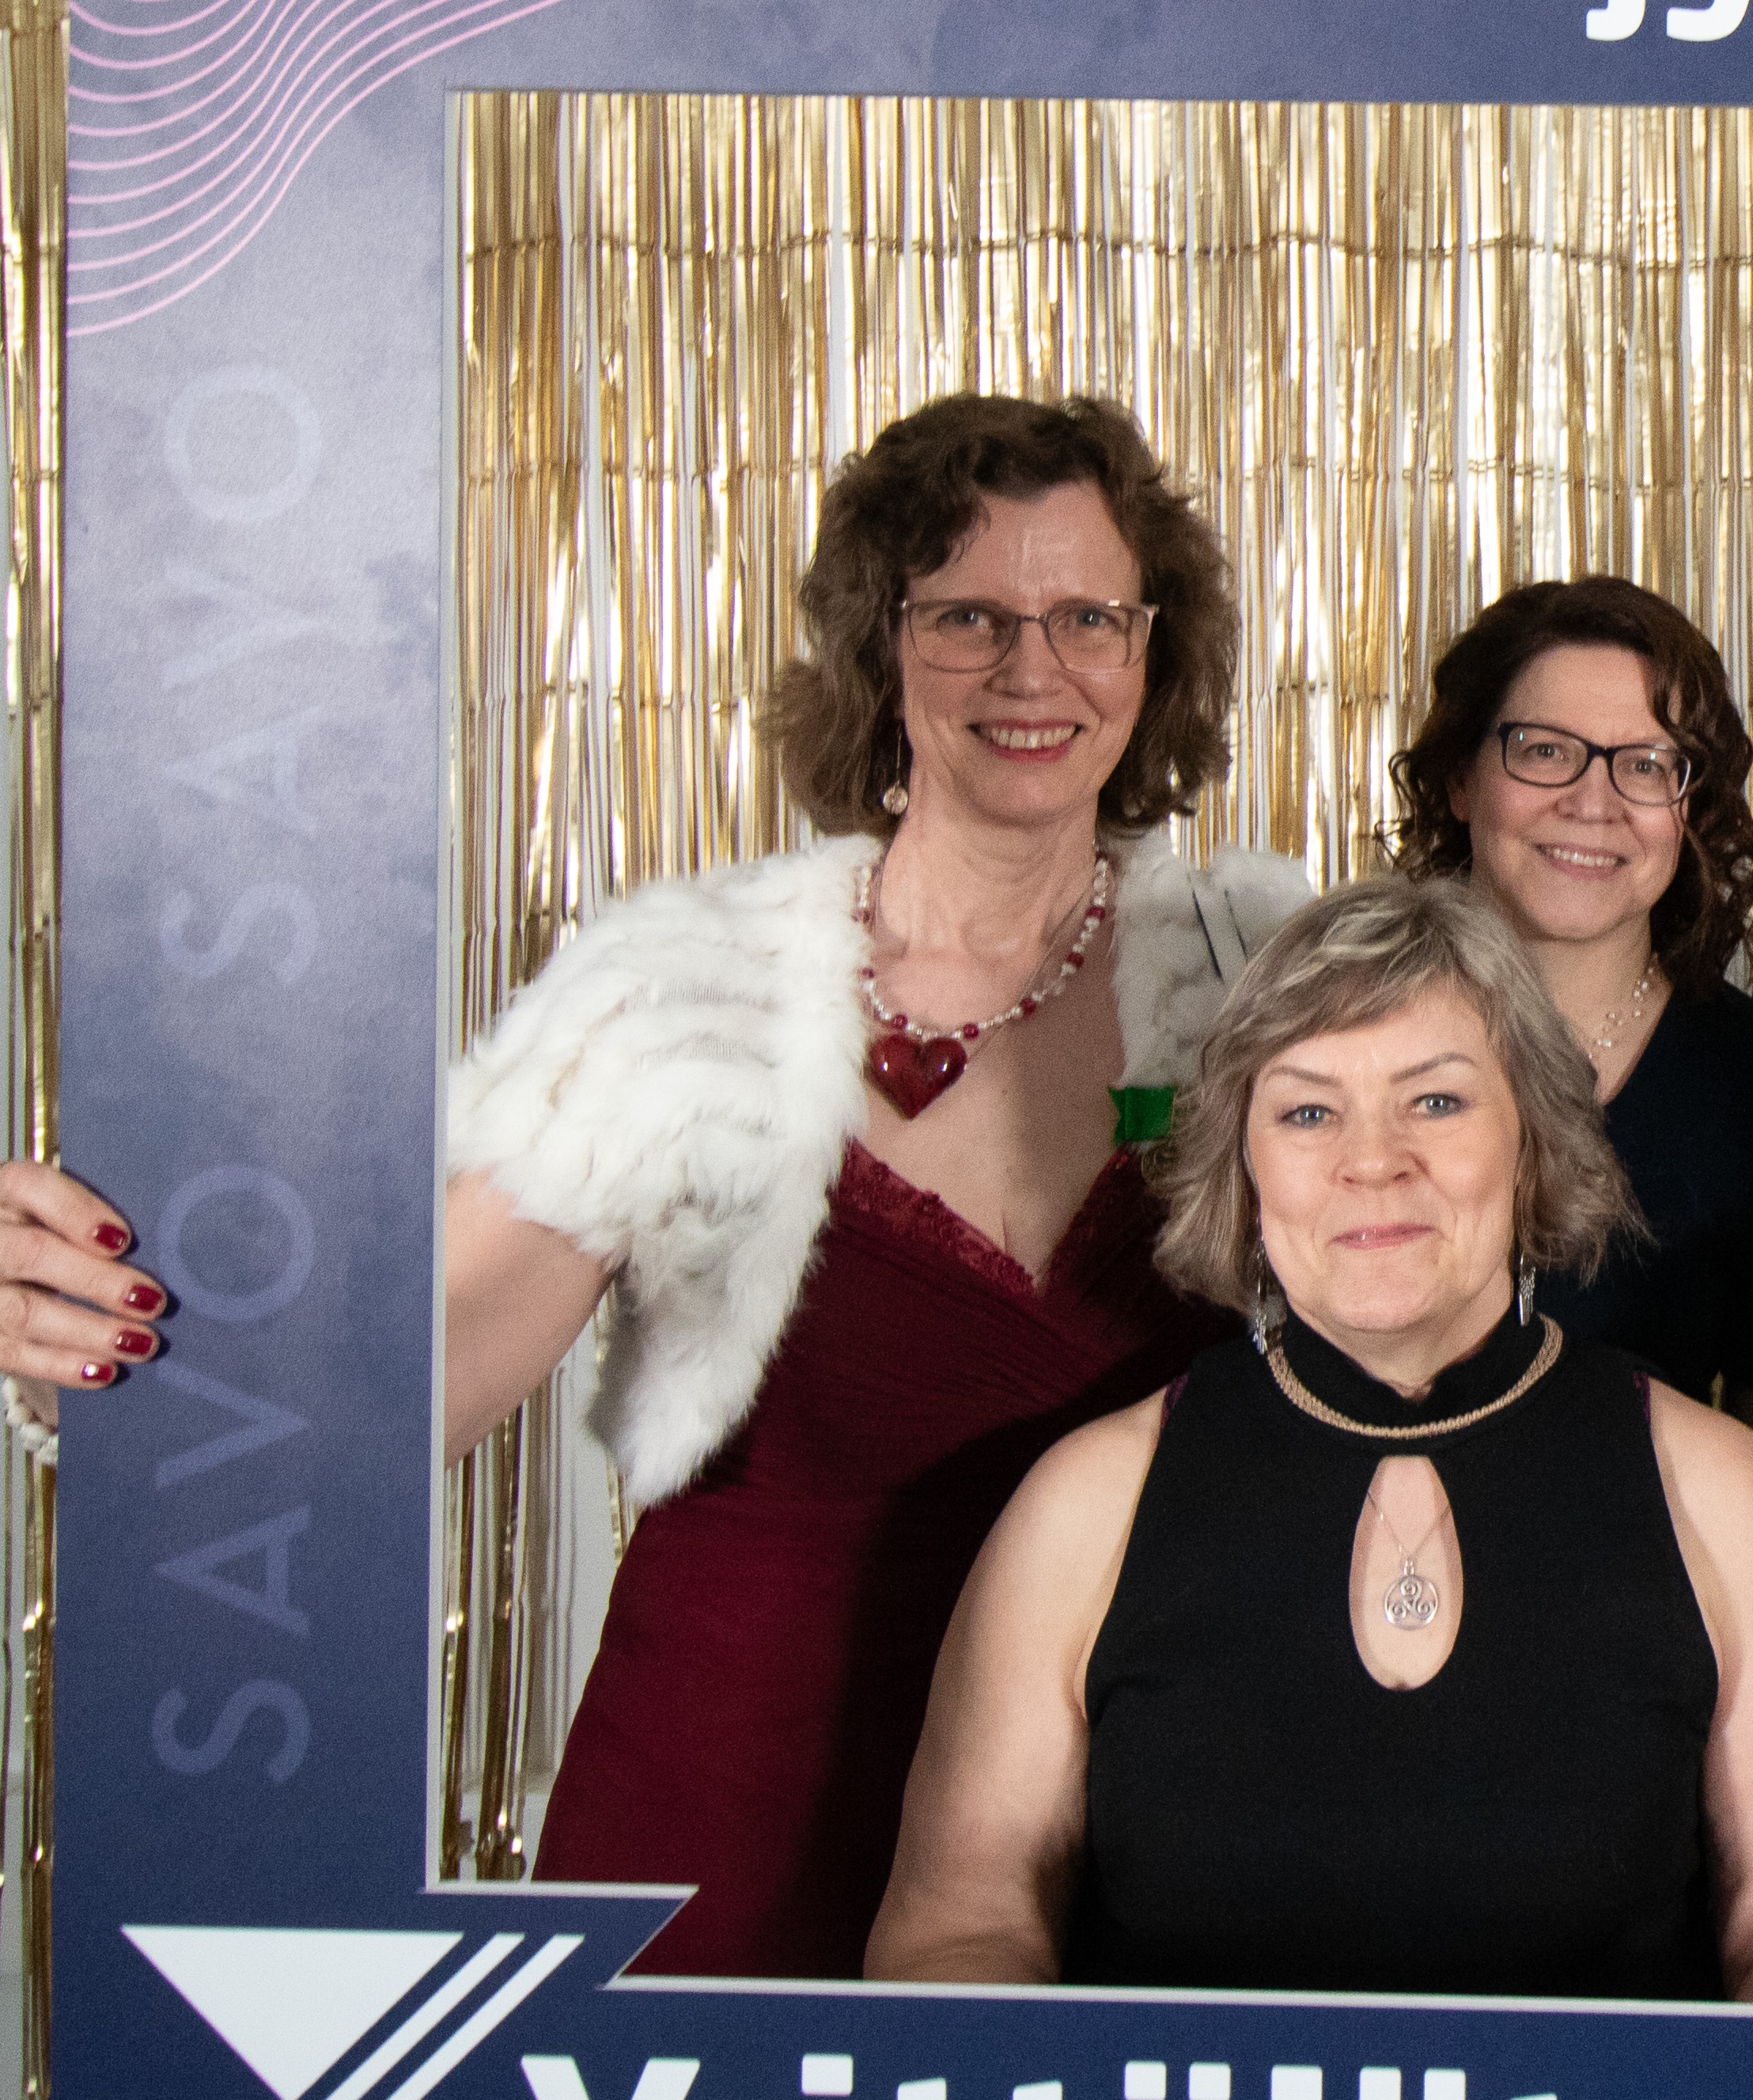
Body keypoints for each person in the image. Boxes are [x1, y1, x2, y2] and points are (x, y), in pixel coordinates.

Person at [418, 393, 1304, 1978]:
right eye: (967, 616)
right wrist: (119, 1337)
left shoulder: (1273, 978)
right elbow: (405, 1380)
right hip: (732, 1815)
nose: (1031, 670)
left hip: (1141, 1811)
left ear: (1152, 652)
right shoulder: (686, 989)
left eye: (1086, 618)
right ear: (876, 650)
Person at [867, 878, 1753, 2003]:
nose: (1372, 1161)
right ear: (1242, 1164)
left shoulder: (1722, 1494)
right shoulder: (1086, 1505)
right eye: (1307, 1112)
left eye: (1435, 1101)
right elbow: (960, 1928)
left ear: (1533, 1138)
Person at [1390, 575, 1753, 1590]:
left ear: (1691, 808)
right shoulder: (1331, 1046)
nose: (1591, 802)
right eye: (1543, 751)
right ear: (1461, 778)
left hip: (1641, 1619)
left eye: (1646, 765)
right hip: (1336, 1594)